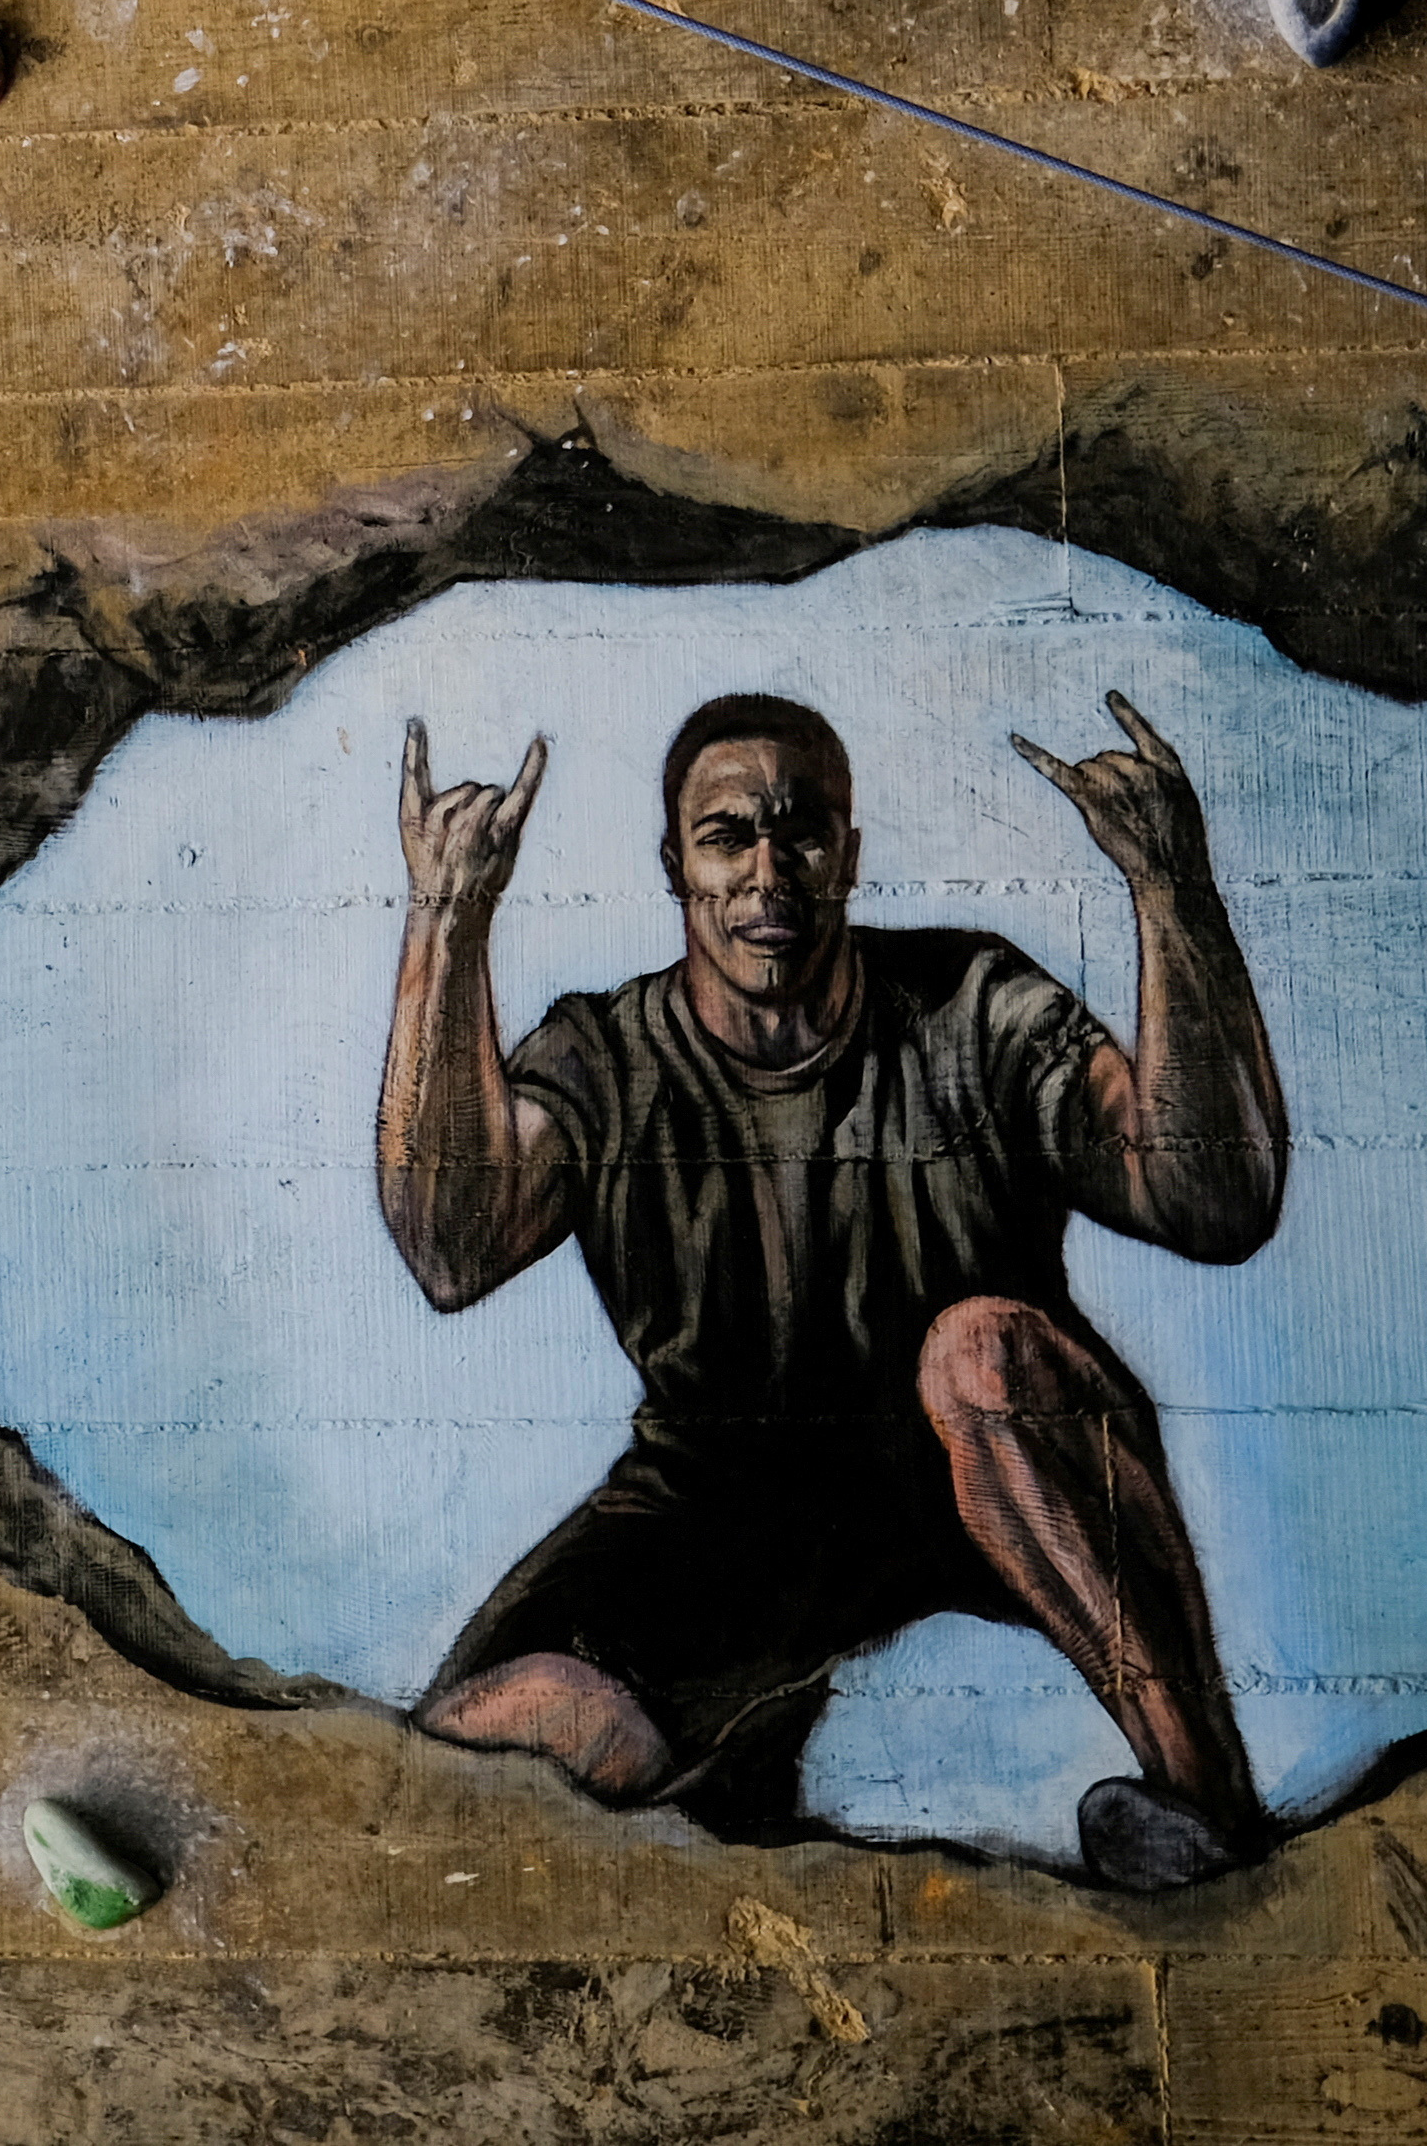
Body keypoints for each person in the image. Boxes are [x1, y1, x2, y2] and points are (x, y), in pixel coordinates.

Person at [371, 688, 1289, 1890]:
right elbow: (453, 1246)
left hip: (970, 1469)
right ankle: (728, 1806)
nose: (768, 870)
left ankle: (1203, 1808)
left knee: (984, 1355)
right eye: (727, 835)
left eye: (800, 831)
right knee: (482, 1758)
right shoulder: (608, 1053)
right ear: (675, 865)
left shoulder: (970, 1006)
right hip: (717, 1511)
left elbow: (1214, 1201)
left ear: (847, 853)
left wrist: (1172, 891)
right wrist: (448, 918)